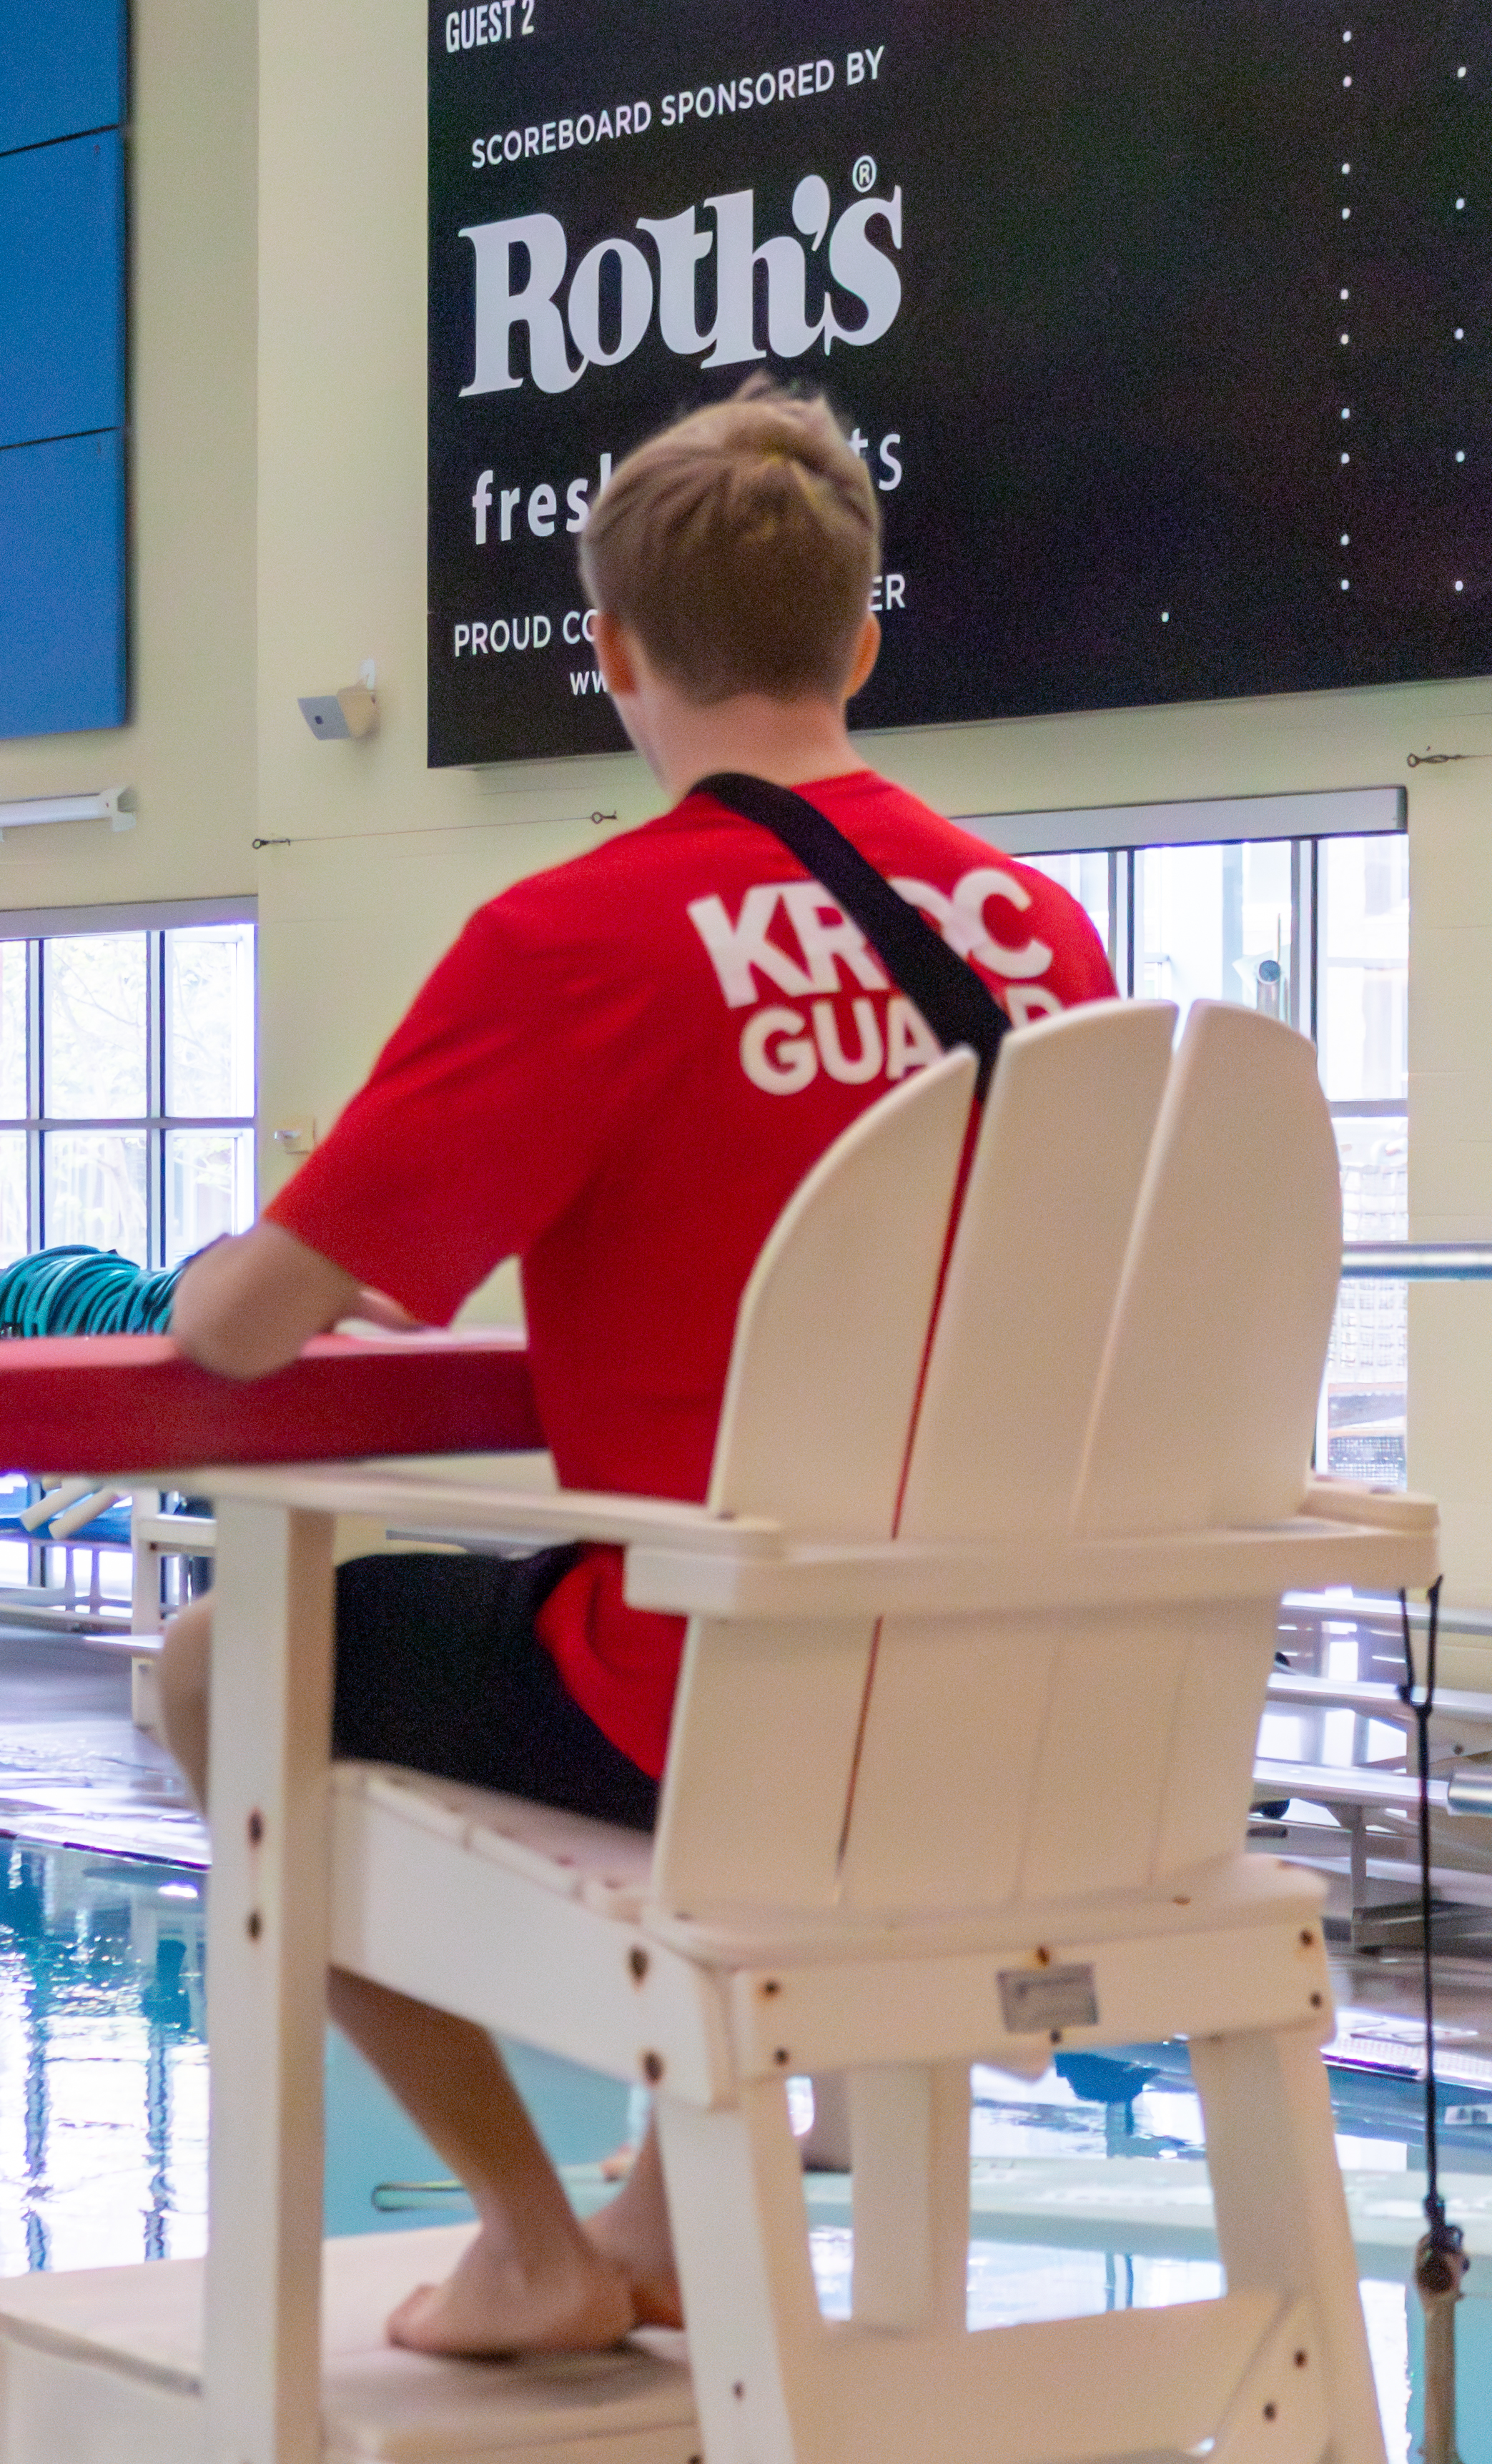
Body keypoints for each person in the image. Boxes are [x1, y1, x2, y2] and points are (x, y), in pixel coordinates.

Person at [155, 382, 1120, 2358]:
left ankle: (532, 2241)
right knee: (676, 1617)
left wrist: (203, 1282)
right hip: (1030, 1708)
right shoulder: (1044, 941)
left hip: (723, 1703)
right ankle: (668, 2221)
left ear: (606, 654)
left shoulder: (578, 937)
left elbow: (249, 1328)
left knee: (206, 1670)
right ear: (860, 641)